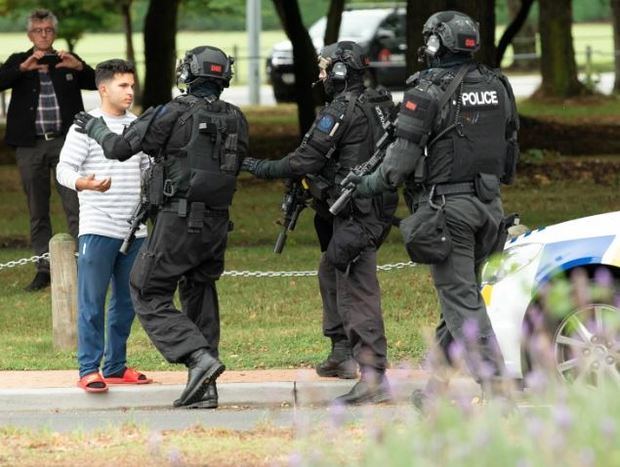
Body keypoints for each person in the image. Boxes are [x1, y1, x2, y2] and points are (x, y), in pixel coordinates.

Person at [349, 11, 520, 408]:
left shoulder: (423, 90)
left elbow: (397, 165)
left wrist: (366, 185)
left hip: (448, 212)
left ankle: (497, 390)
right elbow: (510, 148)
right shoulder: (499, 85)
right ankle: (435, 392)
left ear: (434, 45)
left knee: (461, 302)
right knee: (460, 298)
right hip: (491, 208)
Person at [73, 46, 249, 408]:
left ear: (188, 73)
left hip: (178, 221)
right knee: (200, 293)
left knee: (145, 288)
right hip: (216, 225)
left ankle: (197, 357)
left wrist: (94, 127)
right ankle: (205, 389)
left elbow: (121, 148)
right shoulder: (236, 117)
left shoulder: (174, 111)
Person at [242, 41, 398, 405]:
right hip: (374, 207)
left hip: (358, 212)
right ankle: (341, 354)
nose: (322, 75)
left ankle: (373, 377)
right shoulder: (379, 102)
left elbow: (303, 160)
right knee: (330, 270)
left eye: (327, 68)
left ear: (342, 72)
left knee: (357, 289)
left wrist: (257, 167)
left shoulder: (342, 109)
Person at [57, 59, 151, 393]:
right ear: (103, 88)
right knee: (92, 302)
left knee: (127, 303)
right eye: (123, 85)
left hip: (135, 231)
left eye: (132, 85)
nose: (130, 91)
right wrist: (85, 183)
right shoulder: (85, 126)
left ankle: (114, 366)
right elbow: (63, 169)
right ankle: (88, 369)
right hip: (97, 228)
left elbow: (148, 172)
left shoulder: (138, 126)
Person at [0, 9, 96, 291]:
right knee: (37, 209)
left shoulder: (66, 61)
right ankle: (44, 268)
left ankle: (83, 265)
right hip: (30, 145)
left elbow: (97, 82)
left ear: (54, 33)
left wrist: (78, 67)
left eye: (48, 30)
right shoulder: (19, 61)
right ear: (30, 34)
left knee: (76, 205)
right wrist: (22, 69)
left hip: (68, 143)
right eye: (38, 30)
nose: (43, 35)